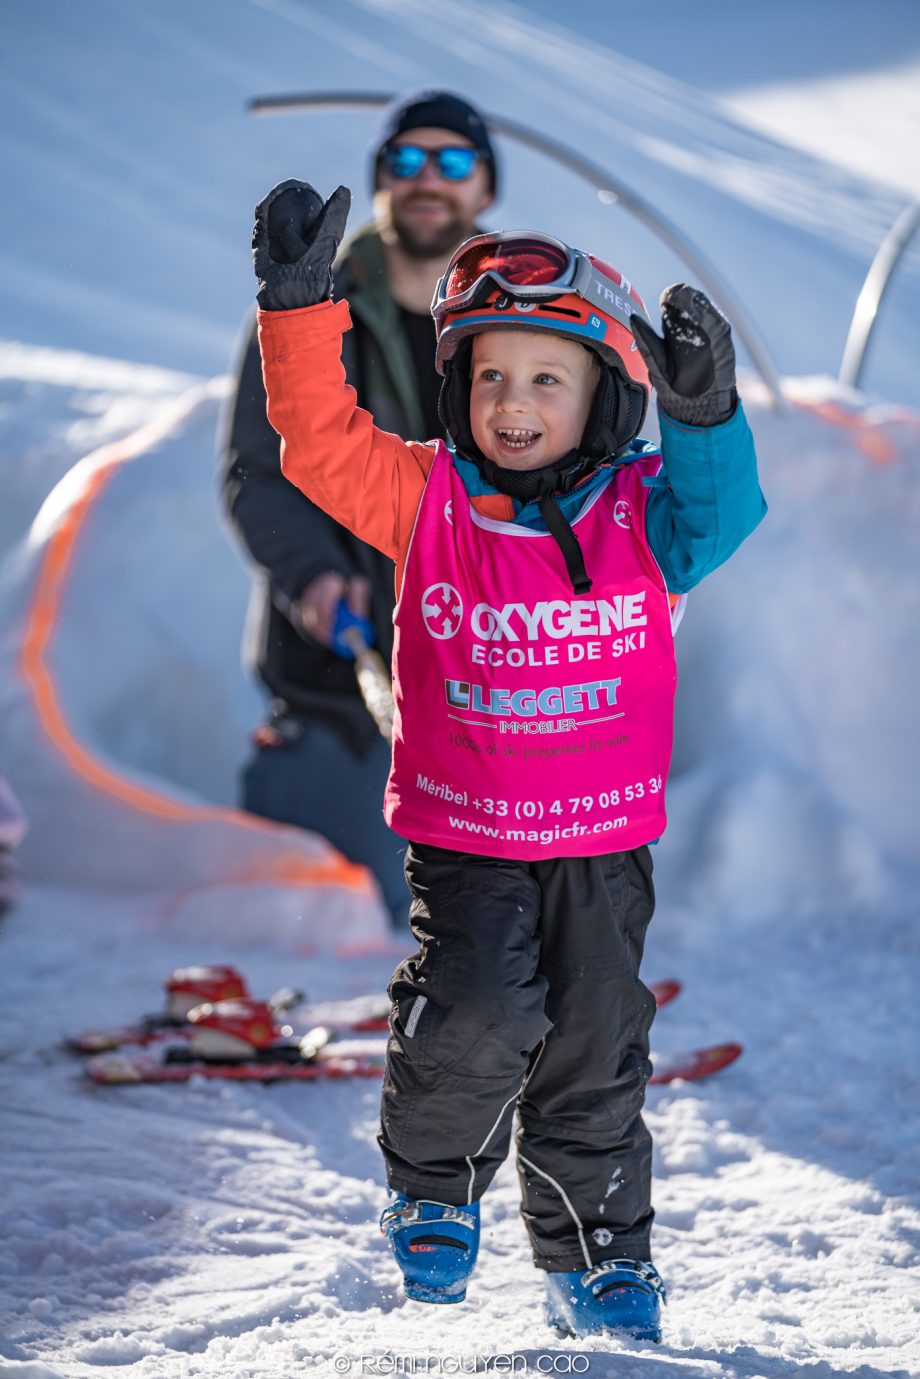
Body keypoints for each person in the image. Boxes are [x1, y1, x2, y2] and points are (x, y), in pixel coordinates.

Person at [249, 178, 766, 1340]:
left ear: (601, 398)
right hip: (466, 831)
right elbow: (319, 445)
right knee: (477, 1009)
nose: (512, 401)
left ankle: (598, 1254)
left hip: (602, 836)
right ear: (455, 389)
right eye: (488, 375)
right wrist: (296, 307)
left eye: (545, 376)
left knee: (594, 1040)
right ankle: (431, 1186)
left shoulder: (646, 512)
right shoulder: (426, 497)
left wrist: (702, 413)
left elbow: (722, 516)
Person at [220, 91, 497, 927]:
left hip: (477, 697)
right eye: (405, 160)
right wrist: (314, 577)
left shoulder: (516, 322)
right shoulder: (306, 304)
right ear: (379, 179)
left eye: (452, 162)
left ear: (485, 188)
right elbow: (257, 474)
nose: (427, 180)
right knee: (319, 926)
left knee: (475, 929)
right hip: (336, 689)